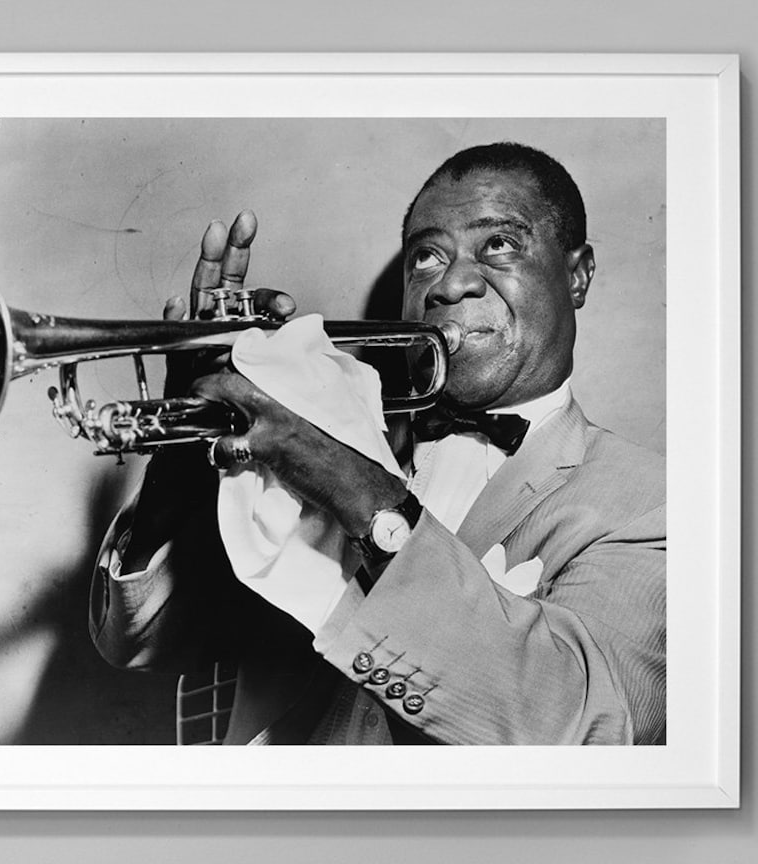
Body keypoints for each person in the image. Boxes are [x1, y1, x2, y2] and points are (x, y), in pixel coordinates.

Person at [89, 142, 666, 745]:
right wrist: (184, 450)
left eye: (498, 244)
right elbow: (136, 641)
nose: (452, 283)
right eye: (427, 257)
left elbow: (592, 728)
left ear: (577, 275)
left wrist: (359, 491)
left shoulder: (651, 502)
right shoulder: (335, 428)